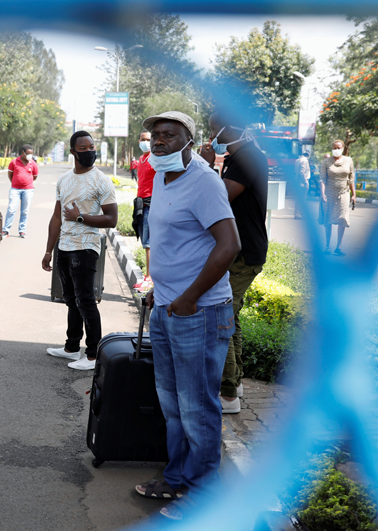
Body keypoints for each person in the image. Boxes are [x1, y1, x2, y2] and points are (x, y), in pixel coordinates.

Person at [135, 111, 240, 520]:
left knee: (197, 406)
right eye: (155, 135)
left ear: (189, 140)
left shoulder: (205, 182)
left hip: (200, 311)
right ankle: (178, 477)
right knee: (173, 404)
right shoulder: (162, 177)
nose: (158, 142)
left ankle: (204, 494)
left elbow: (228, 245)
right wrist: (157, 289)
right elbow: (166, 241)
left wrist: (190, 297)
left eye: (169, 135)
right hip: (166, 306)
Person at [199, 110, 269, 414]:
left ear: (229, 130)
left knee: (221, 316)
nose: (212, 135)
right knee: (231, 314)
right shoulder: (237, 157)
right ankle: (235, 382)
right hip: (238, 249)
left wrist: (203, 166)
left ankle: (228, 396)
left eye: (214, 130)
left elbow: (221, 195)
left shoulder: (249, 158)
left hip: (243, 252)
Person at [42, 130, 118, 371]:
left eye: (91, 147)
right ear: (73, 152)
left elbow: (112, 219)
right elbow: (56, 217)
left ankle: (93, 354)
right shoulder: (64, 180)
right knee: (71, 300)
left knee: (86, 300)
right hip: (64, 246)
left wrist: (81, 218)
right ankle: (72, 348)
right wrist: (48, 250)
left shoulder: (101, 180)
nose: (89, 152)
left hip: (86, 247)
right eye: (83, 149)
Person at [318, 140, 356, 256]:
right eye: (334, 147)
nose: (336, 149)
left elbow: (351, 178)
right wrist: (322, 193)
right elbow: (322, 179)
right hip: (329, 194)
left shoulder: (349, 161)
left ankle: (338, 247)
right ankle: (327, 246)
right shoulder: (326, 162)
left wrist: (354, 194)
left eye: (338, 147)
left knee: (342, 218)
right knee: (328, 218)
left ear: (343, 148)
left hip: (344, 193)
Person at [132, 130, 154, 292]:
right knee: (144, 241)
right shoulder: (141, 159)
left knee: (149, 243)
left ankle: (150, 278)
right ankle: (148, 277)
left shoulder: (155, 158)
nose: (145, 142)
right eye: (142, 139)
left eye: (148, 139)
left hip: (151, 203)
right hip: (141, 203)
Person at [2, 144, 39, 238]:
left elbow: (35, 176)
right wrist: (16, 182)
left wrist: (26, 182)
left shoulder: (33, 163)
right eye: (28, 153)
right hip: (15, 189)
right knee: (11, 209)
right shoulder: (14, 162)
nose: (30, 155)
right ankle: (6, 230)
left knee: (25, 211)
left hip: (28, 190)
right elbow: (10, 174)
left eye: (31, 153)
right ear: (23, 153)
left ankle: (22, 231)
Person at [294, 150, 311, 219]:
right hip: (302, 182)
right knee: (302, 198)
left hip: (298, 181)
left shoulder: (298, 160)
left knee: (298, 199)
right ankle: (299, 214)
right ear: (308, 155)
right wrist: (305, 181)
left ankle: (297, 213)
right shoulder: (304, 160)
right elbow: (302, 172)